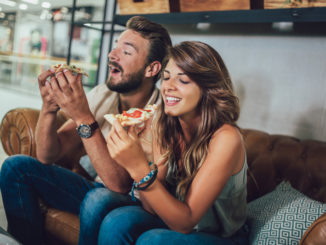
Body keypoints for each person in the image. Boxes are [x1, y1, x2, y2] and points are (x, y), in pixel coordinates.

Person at [0, 16, 171, 245]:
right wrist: (49, 109)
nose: (112, 55)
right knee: (16, 167)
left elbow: (119, 186)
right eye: (115, 46)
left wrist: (83, 117)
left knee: (98, 197)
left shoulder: (161, 116)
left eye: (126, 52)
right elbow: (47, 155)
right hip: (96, 188)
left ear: (152, 68)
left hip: (135, 202)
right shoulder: (104, 94)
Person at [80, 41, 249, 245]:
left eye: (183, 80)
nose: (168, 87)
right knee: (115, 221)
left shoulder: (226, 138)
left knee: (152, 240)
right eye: (166, 78)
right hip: (174, 217)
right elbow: (152, 207)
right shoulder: (163, 123)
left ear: (209, 89)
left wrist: (137, 167)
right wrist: (136, 159)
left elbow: (185, 222)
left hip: (222, 236)